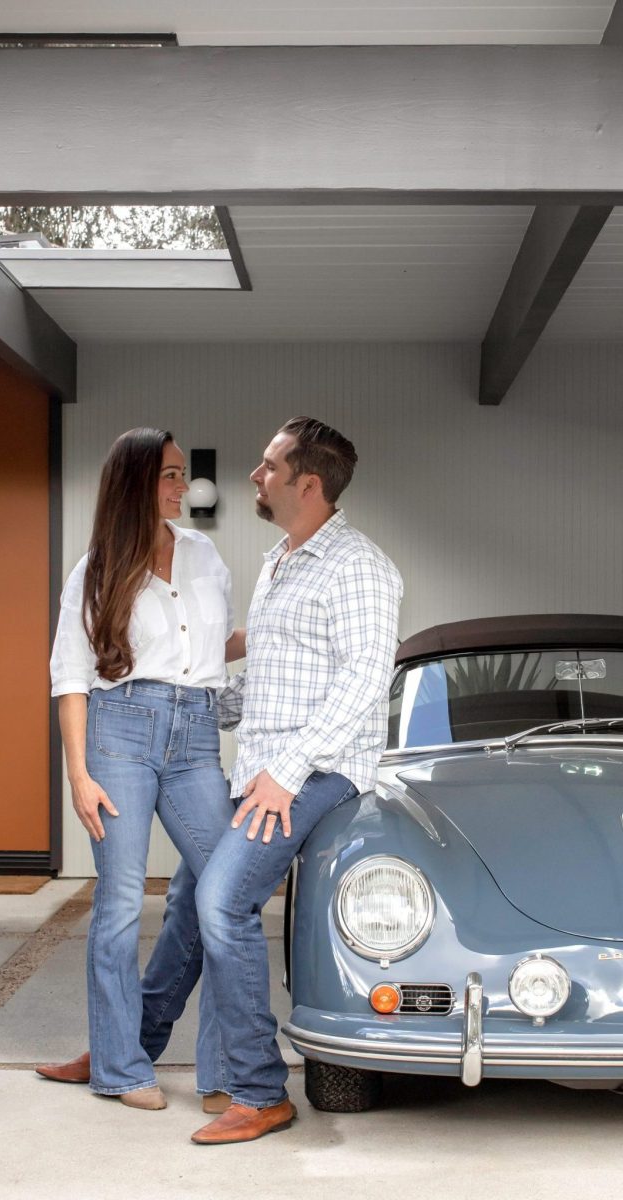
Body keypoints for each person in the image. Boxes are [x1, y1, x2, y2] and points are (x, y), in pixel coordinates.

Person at [190, 416, 403, 1145]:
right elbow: (273, 682)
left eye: (268, 466)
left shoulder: (358, 566)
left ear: (307, 484)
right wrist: (188, 705)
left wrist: (284, 773)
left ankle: (260, 1092)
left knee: (223, 900)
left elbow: (364, 680)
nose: (256, 476)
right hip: (264, 769)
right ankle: (131, 1053)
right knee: (191, 903)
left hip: (319, 771)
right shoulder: (281, 561)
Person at [39, 427, 243, 1111]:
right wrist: (78, 774)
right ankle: (122, 1069)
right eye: (170, 475)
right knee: (122, 902)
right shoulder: (96, 569)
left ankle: (223, 1072)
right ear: (136, 482)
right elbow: (70, 676)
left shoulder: (204, 553)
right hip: (119, 732)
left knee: (224, 892)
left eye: (183, 474)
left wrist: (289, 634)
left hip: (196, 736)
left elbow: (215, 644)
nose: (183, 486)